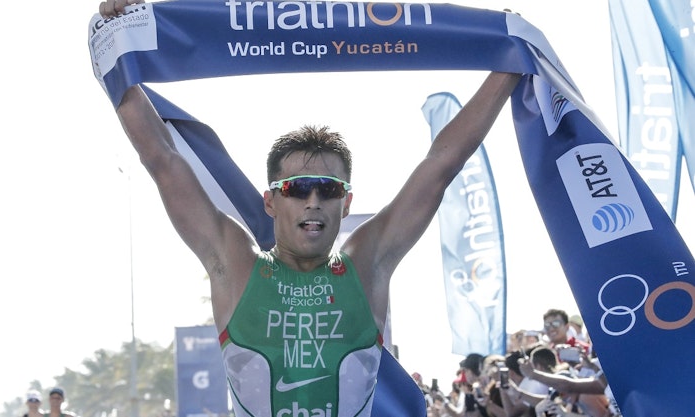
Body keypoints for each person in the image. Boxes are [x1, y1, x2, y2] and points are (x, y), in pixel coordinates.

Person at [98, 1, 521, 415]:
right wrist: (114, 49)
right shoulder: (235, 263)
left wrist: (509, 58)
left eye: (329, 189)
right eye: (297, 188)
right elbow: (163, 160)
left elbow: (441, 165)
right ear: (271, 201)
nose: (313, 201)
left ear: (346, 202)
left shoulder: (367, 264)